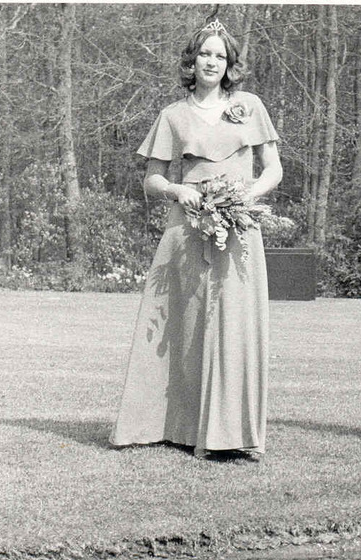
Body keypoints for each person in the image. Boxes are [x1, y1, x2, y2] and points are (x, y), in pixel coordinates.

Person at [111, 19, 282, 458]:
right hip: (186, 226)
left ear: (230, 64)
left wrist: (247, 196)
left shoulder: (249, 106)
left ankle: (233, 434)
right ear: (193, 60)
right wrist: (177, 190)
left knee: (235, 321)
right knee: (182, 322)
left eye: (220, 56)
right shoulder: (173, 114)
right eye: (205, 53)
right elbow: (151, 179)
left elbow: (273, 170)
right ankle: (173, 426)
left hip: (238, 226)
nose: (212, 62)